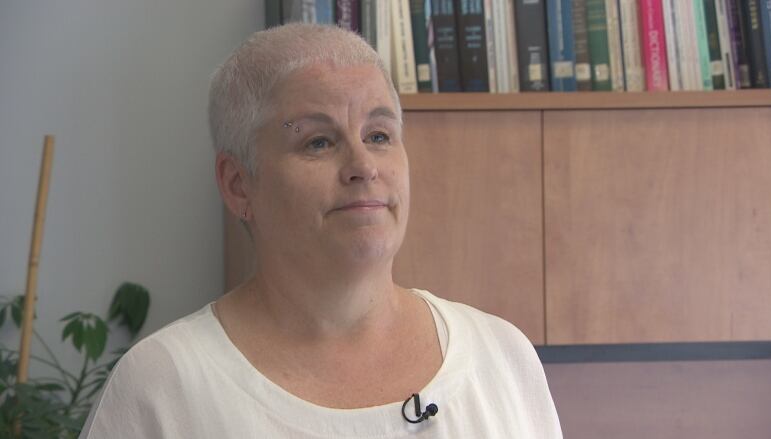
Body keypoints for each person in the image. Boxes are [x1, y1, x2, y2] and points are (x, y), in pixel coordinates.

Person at [80, 23, 562, 438]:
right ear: (238, 185)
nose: (363, 166)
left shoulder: (501, 356)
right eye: (318, 141)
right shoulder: (163, 387)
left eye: (378, 135)